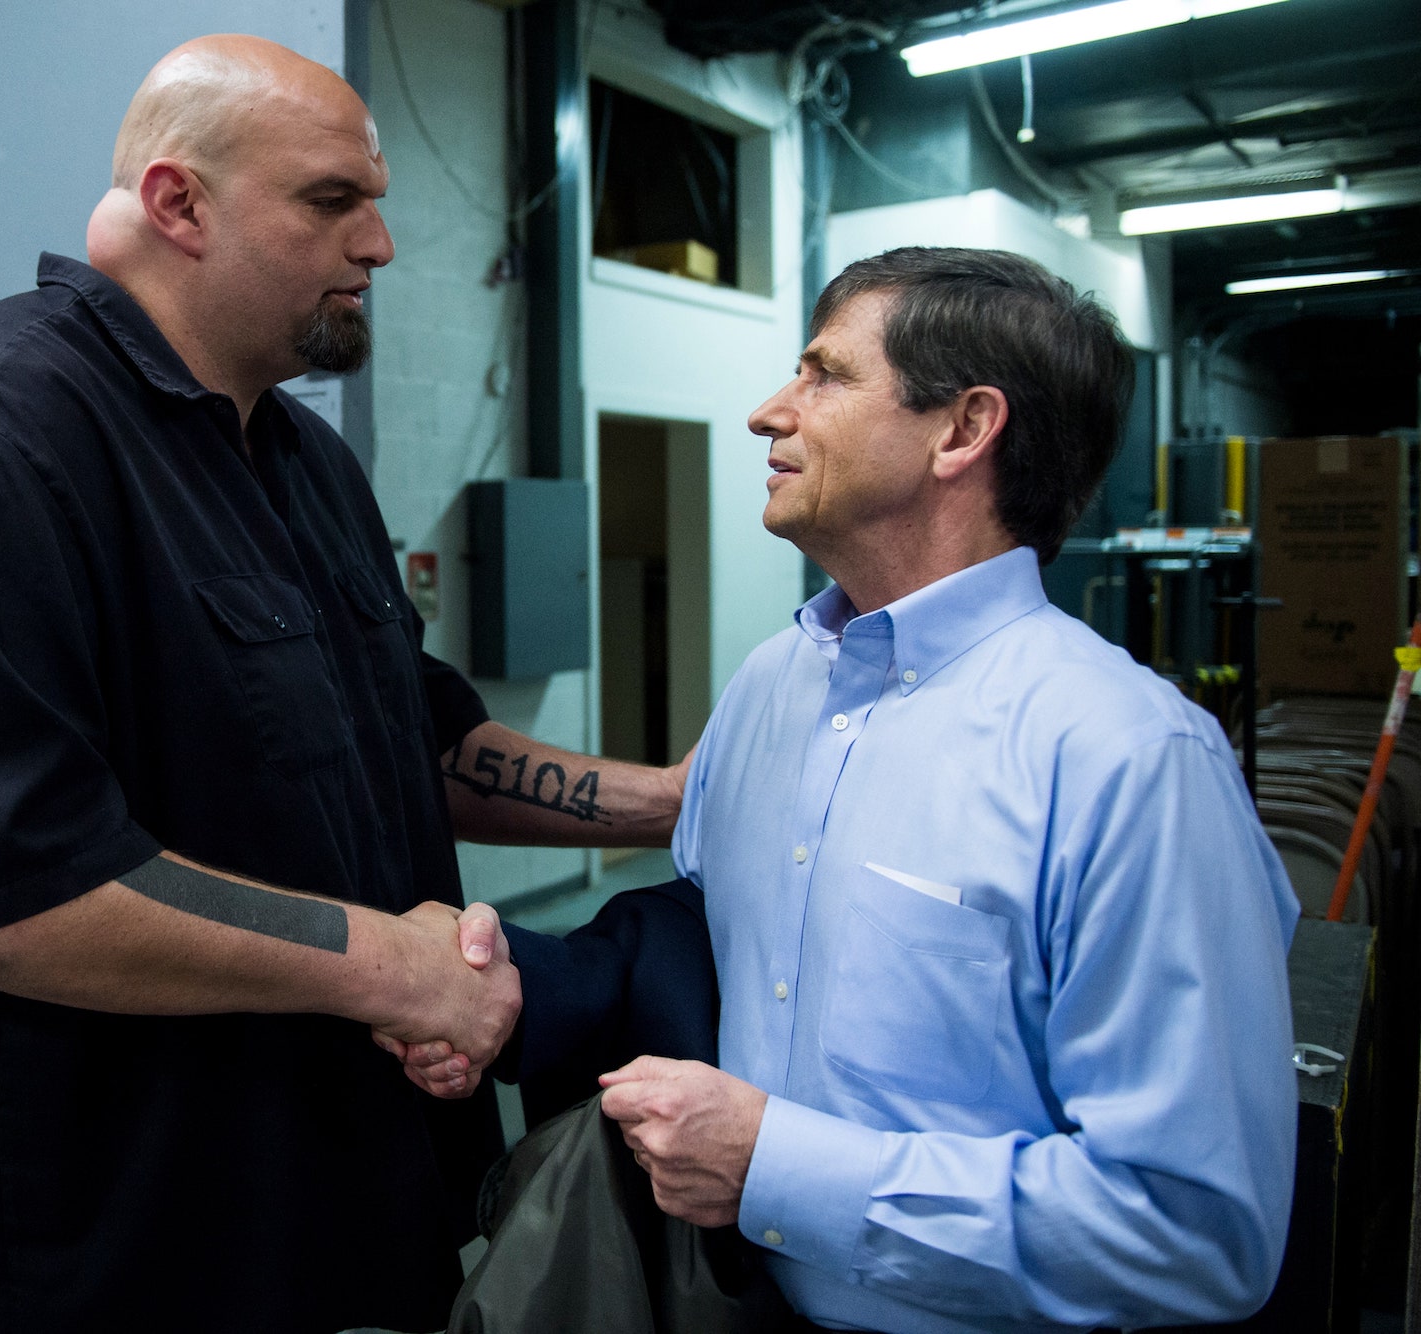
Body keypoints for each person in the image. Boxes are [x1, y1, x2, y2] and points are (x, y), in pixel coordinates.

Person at [0, 35, 686, 1334]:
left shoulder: (307, 461)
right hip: (96, 1231)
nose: (378, 243)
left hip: (316, 1184)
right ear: (178, 205)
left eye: (377, 203)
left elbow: (414, 736)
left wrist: (675, 798)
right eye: (333, 201)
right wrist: (395, 966)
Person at [407, 248, 1300, 1331]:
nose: (766, 411)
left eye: (823, 376)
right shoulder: (771, 682)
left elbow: (1196, 1229)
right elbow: (703, 944)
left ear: (961, 430)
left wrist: (780, 1170)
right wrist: (522, 988)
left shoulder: (1126, 757)